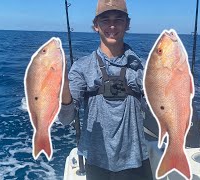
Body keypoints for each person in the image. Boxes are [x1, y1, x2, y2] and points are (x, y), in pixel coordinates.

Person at [58, 0, 153, 179]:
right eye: (105, 20)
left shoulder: (143, 68)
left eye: (118, 19)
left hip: (137, 160)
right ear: (95, 26)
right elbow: (65, 118)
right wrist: (63, 85)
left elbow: (155, 112)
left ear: (127, 24)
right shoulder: (81, 67)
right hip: (97, 164)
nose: (112, 25)